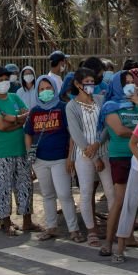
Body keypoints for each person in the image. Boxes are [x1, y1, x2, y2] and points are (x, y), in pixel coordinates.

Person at [24, 74, 83, 241]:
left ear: (54, 89)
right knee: (47, 195)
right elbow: (28, 134)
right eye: (41, 89)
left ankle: (74, 230)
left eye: (48, 88)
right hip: (40, 161)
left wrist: (70, 157)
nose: (45, 92)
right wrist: (30, 154)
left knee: (64, 194)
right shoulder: (34, 111)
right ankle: (51, 227)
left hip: (60, 159)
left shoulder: (63, 108)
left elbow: (72, 134)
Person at [100, 70, 138, 260]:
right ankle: (108, 242)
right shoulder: (110, 106)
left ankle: (129, 237)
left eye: (131, 82)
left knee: (133, 200)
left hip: (137, 155)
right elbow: (119, 130)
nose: (130, 86)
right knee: (120, 201)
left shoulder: (134, 104)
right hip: (120, 156)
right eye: (126, 82)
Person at [0, 65, 38, 236]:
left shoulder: (15, 97)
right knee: (4, 188)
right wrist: (17, 120)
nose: (4, 83)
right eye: (0, 81)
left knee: (25, 185)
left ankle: (27, 221)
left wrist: (10, 119)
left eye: (5, 79)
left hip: (20, 149)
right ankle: (5, 222)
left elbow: (26, 117)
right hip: (1, 152)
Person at [65, 68, 112, 247]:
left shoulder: (101, 100)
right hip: (83, 155)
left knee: (110, 192)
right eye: (87, 83)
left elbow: (108, 124)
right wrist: (93, 156)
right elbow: (76, 135)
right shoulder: (72, 106)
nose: (90, 86)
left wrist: (98, 144)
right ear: (78, 85)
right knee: (86, 193)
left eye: (92, 82)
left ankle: (112, 228)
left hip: (104, 150)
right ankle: (91, 230)